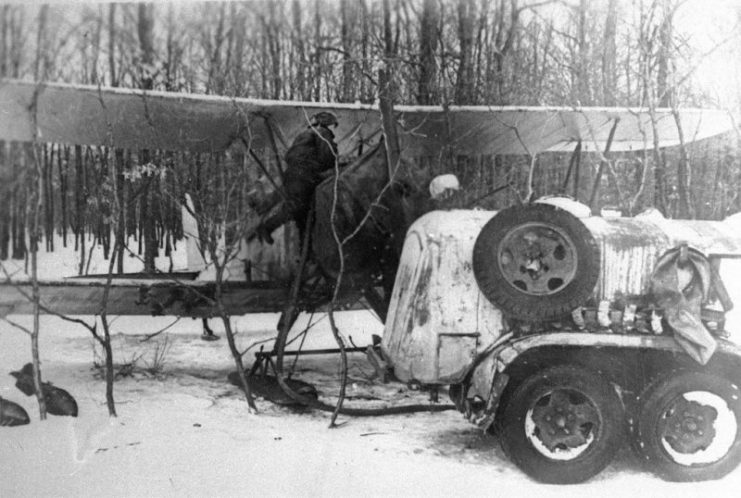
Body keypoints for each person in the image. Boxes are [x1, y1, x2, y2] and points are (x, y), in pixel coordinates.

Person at [257, 111, 339, 244]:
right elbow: (327, 158)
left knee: (301, 212)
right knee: (297, 206)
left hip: (293, 173)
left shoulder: (304, 134)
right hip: (305, 174)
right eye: (332, 126)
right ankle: (267, 227)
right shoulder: (322, 133)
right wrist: (335, 162)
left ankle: (264, 208)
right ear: (327, 124)